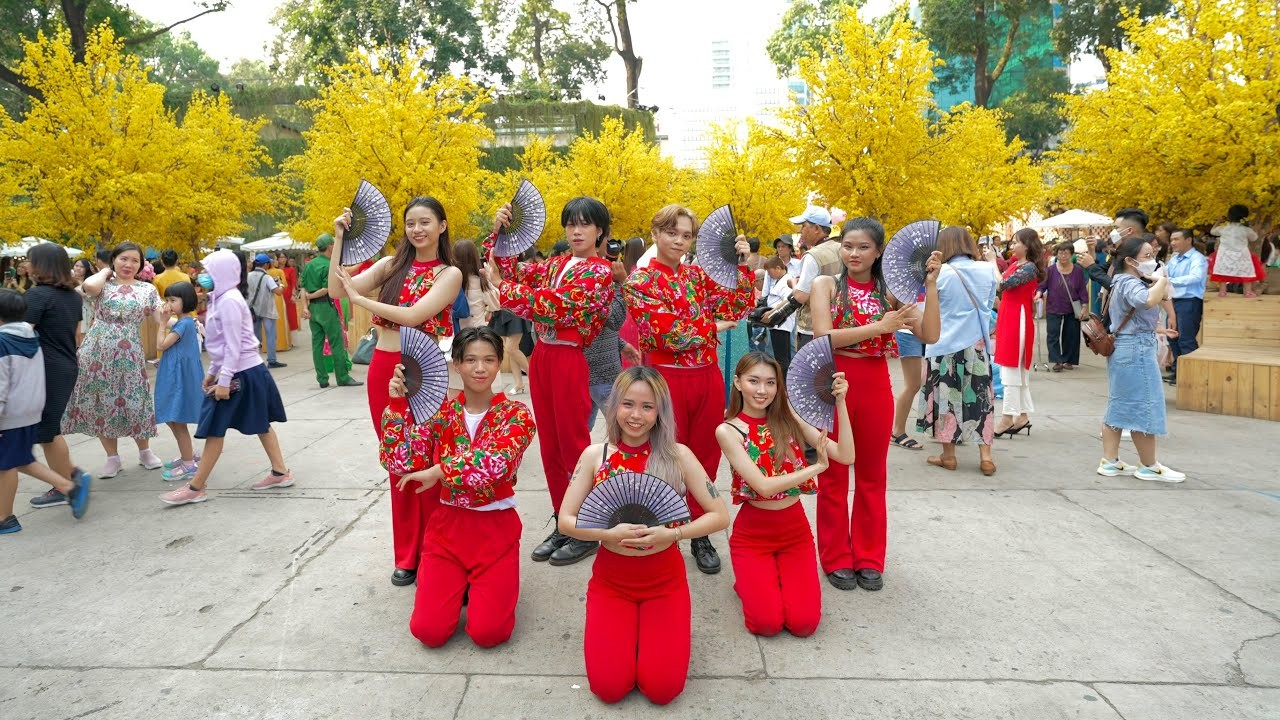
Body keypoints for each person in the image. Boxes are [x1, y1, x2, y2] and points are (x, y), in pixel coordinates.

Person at [556, 366, 730, 705]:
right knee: (608, 689)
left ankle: (646, 639)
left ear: (660, 411)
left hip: (664, 581)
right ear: (614, 406)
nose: (636, 416)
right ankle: (629, 638)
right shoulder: (596, 456)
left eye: (648, 407)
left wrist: (674, 534)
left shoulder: (678, 455)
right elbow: (566, 520)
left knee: (663, 690)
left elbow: (719, 515)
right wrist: (607, 530)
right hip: (612, 582)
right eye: (628, 404)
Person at [330, 197, 462, 586]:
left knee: (429, 462)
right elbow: (338, 290)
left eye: (425, 222)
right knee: (399, 461)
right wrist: (341, 237)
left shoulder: (448, 273)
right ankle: (407, 554)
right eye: (410, 223)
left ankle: (437, 550)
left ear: (441, 225)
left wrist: (360, 299)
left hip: (425, 369)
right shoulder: (392, 265)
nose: (417, 229)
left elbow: (415, 315)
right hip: (384, 368)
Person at [382, 327, 535, 648]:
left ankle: (483, 586)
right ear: (456, 365)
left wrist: (440, 471)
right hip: (446, 532)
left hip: (496, 532)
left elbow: (497, 465)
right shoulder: (442, 415)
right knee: (429, 632)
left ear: (498, 364)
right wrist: (397, 407)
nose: (480, 368)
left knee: (489, 634)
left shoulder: (516, 415)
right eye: (471, 360)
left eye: (489, 360)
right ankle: (462, 585)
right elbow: (398, 461)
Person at [811, 217, 940, 591]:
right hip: (833, 384)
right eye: (848, 245)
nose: (853, 253)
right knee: (832, 474)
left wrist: (930, 287)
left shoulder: (893, 292)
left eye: (863, 247)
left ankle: (869, 556)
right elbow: (823, 336)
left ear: (878, 251)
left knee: (872, 476)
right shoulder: (826, 285)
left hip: (875, 384)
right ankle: (835, 556)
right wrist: (878, 329)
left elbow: (930, 333)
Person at [624, 204, 753, 575]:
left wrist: (739, 267)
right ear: (655, 234)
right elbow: (669, 335)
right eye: (671, 233)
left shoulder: (697, 275)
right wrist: (713, 326)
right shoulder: (640, 282)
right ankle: (659, 525)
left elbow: (737, 304)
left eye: (686, 235)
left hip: (707, 375)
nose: (679, 241)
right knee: (661, 453)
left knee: (705, 454)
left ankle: (699, 529)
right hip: (665, 379)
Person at [487, 197, 616, 567]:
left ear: (600, 231)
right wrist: (502, 230)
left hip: (568, 357)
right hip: (543, 354)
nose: (576, 231)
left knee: (574, 445)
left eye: (585, 224)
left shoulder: (599, 272)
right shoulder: (557, 264)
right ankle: (565, 519)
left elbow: (557, 305)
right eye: (570, 224)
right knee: (551, 446)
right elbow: (509, 269)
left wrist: (504, 287)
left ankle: (586, 525)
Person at [716, 353, 854, 637]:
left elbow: (846, 455)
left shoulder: (787, 417)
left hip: (795, 533)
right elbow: (763, 487)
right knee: (766, 625)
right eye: (753, 381)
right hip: (753, 536)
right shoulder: (728, 430)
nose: (762, 390)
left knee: (804, 625)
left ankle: (770, 578)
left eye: (770, 383)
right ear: (738, 382)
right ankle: (750, 581)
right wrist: (816, 468)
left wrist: (841, 403)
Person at [160, 250, 293, 505]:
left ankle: (196, 487)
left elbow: (233, 346)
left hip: (243, 371)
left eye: (208, 271)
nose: (203, 275)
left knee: (215, 428)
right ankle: (280, 472)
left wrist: (222, 381)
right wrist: (212, 373)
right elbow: (220, 344)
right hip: (244, 370)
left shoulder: (229, 300)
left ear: (221, 273)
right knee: (260, 423)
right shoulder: (219, 299)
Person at [62, 242, 165, 478]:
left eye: (135, 261)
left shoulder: (146, 290)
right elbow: (88, 285)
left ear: (141, 265)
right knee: (101, 401)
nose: (129, 264)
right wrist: (107, 272)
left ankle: (145, 451)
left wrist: (183, 323)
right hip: (97, 350)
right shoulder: (103, 286)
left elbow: (162, 317)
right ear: (114, 260)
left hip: (130, 352)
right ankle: (112, 457)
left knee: (136, 399)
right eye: (123, 259)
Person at [0, 289, 91, 534]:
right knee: (18, 460)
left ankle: (5, 518)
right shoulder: (33, 338)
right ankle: (68, 486)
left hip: (9, 416)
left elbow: (1, 385)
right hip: (30, 411)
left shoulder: (2, 343)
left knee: (7, 464)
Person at [1097, 237, 1186, 482]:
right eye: (1147, 257)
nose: (1153, 261)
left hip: (1127, 347)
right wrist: (1163, 280)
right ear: (1129, 260)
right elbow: (1145, 300)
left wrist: (1157, 329)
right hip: (1135, 350)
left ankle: (1110, 460)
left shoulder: (1120, 281)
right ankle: (1149, 465)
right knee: (1145, 405)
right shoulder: (1129, 282)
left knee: (1120, 404)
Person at [916, 226, 998, 475]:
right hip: (977, 343)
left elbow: (928, 308)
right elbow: (989, 304)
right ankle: (986, 458)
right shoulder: (987, 270)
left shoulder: (941, 273)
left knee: (946, 399)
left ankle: (949, 455)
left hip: (944, 344)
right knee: (982, 399)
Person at [20, 244, 93, 512]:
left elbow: (21, 334)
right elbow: (75, 335)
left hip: (44, 369)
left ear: (41, 265)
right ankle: (66, 481)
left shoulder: (36, 296)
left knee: (48, 431)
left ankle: (69, 483)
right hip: (65, 365)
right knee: (50, 430)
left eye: (30, 261)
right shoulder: (73, 297)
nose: (27, 265)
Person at [990, 228, 1045, 437]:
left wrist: (992, 263)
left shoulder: (1029, 268)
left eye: (1017, 242)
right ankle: (1021, 415)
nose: (1013, 246)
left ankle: (1007, 417)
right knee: (1012, 367)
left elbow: (1002, 284)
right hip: (1009, 316)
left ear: (1028, 245)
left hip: (1017, 319)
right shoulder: (1016, 265)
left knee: (1013, 366)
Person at [154, 282, 205, 482]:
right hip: (176, 372)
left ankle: (188, 464)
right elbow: (179, 349)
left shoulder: (183, 324)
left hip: (177, 378)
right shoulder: (187, 322)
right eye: (168, 300)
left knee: (176, 418)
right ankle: (188, 454)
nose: (169, 304)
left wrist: (161, 323)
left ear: (186, 301)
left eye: (173, 300)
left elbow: (161, 344)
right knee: (172, 417)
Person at [585, 250, 638, 429]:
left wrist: (620, 344)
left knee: (582, 432)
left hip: (587, 371)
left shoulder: (583, 271)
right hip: (602, 372)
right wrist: (621, 282)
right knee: (623, 430)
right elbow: (614, 318)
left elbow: (597, 323)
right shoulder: (590, 275)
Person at [300, 234, 360, 389]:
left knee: (317, 345)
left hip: (313, 309)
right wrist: (313, 295)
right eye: (333, 244)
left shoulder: (309, 265)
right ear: (330, 247)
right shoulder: (329, 266)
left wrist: (306, 306)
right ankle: (342, 377)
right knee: (337, 343)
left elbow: (303, 288)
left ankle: (322, 379)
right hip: (326, 307)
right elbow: (326, 289)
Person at [788, 206, 839, 351]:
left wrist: (793, 284)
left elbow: (801, 296)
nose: (800, 231)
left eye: (803, 226)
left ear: (816, 228)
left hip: (812, 329)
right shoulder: (842, 248)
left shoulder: (813, 256)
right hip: (838, 327)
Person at [1163, 228, 1208, 384]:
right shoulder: (1174, 259)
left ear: (1188, 240)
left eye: (1176, 239)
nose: (1173, 243)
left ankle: (1192, 376)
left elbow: (1196, 277)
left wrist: (1170, 281)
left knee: (1186, 339)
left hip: (1189, 302)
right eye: (1172, 239)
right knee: (1172, 337)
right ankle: (1178, 372)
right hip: (1173, 301)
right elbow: (1165, 275)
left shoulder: (1198, 258)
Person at [1039, 241, 1088, 371]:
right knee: (1053, 334)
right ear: (1057, 254)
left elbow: (1082, 289)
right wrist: (1038, 294)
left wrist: (1084, 306)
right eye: (1060, 253)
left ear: (1071, 254)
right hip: (1054, 306)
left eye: (1066, 253)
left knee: (1071, 335)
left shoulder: (1077, 271)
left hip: (1072, 307)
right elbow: (1042, 285)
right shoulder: (1050, 270)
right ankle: (1057, 361)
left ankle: (1068, 360)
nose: (1063, 256)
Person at [1209, 204, 1263, 298]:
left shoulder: (1223, 229)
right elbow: (1254, 238)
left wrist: (1218, 222)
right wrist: (1251, 227)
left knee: (1223, 272)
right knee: (1246, 272)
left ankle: (1222, 291)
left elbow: (1212, 231)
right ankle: (1247, 292)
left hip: (1225, 254)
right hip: (1241, 255)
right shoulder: (1246, 230)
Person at [246, 254, 287, 369]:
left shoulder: (248, 276)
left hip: (253, 309)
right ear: (265, 264)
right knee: (270, 335)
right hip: (267, 310)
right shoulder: (267, 278)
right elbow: (278, 292)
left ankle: (253, 361)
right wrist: (281, 284)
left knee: (254, 336)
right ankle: (272, 360)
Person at [759, 256, 797, 374]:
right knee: (782, 356)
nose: (769, 276)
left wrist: (770, 313)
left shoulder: (787, 280)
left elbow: (787, 300)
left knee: (781, 358)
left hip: (781, 322)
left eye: (770, 272)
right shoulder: (779, 280)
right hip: (777, 322)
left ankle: (784, 383)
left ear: (778, 268)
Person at [453, 240, 500, 330]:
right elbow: (496, 305)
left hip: (457, 332)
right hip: (477, 331)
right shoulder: (481, 281)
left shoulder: (450, 282)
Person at [71, 258, 95, 342]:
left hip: (86, 311)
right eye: (76, 265)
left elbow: (94, 299)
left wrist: (83, 295)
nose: (78, 268)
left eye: (81, 267)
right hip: (70, 310)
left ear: (86, 269)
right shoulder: (68, 280)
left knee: (83, 336)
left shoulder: (90, 282)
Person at [280, 255, 300, 333]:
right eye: (281, 257)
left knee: (291, 315)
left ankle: (293, 339)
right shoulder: (275, 270)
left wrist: (293, 295)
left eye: (284, 257)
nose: (283, 259)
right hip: (278, 295)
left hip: (288, 295)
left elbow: (293, 283)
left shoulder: (290, 269)